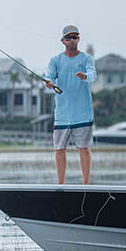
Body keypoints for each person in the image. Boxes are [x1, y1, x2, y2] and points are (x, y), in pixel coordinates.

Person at [43, 25, 97, 184]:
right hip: (62, 115)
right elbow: (49, 76)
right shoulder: (55, 60)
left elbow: (93, 74)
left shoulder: (87, 59)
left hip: (83, 113)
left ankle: (86, 184)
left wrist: (85, 76)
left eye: (75, 37)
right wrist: (49, 83)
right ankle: (61, 184)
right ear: (63, 41)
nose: (72, 40)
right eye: (69, 38)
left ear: (79, 39)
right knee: (59, 149)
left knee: (84, 149)